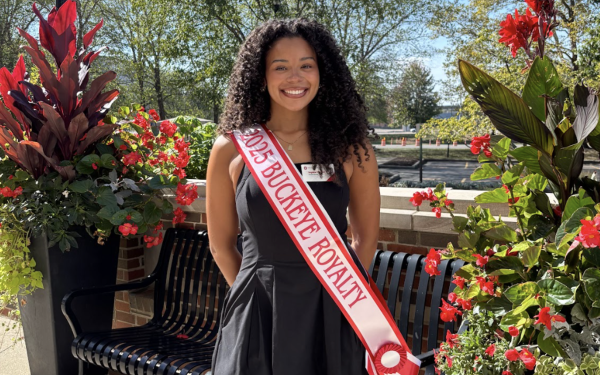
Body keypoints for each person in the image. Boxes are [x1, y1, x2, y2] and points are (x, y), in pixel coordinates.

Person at [206, 18, 380, 375]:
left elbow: (365, 239)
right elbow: (221, 245)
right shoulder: (231, 149)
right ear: (261, 75)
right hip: (258, 309)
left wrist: (347, 299)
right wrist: (252, 297)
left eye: (306, 65)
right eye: (280, 67)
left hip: (333, 304)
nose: (295, 77)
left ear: (322, 73)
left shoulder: (351, 149)